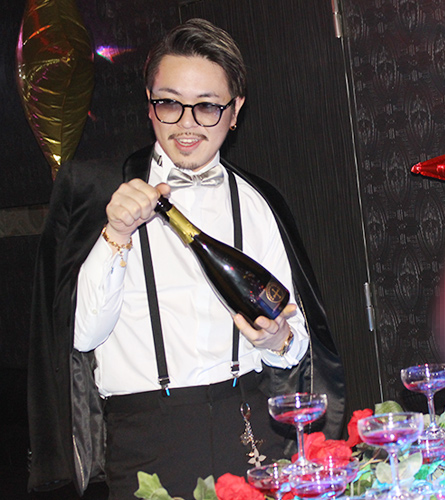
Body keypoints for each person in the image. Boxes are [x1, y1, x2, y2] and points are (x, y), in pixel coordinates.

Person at [27, 18, 344, 499]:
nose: (187, 124)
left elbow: (297, 341)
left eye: (207, 107)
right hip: (147, 437)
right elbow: (82, 336)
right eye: (170, 103)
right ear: (149, 104)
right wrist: (116, 234)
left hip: (249, 425)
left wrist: (277, 339)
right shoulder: (99, 193)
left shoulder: (260, 202)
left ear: (235, 111)